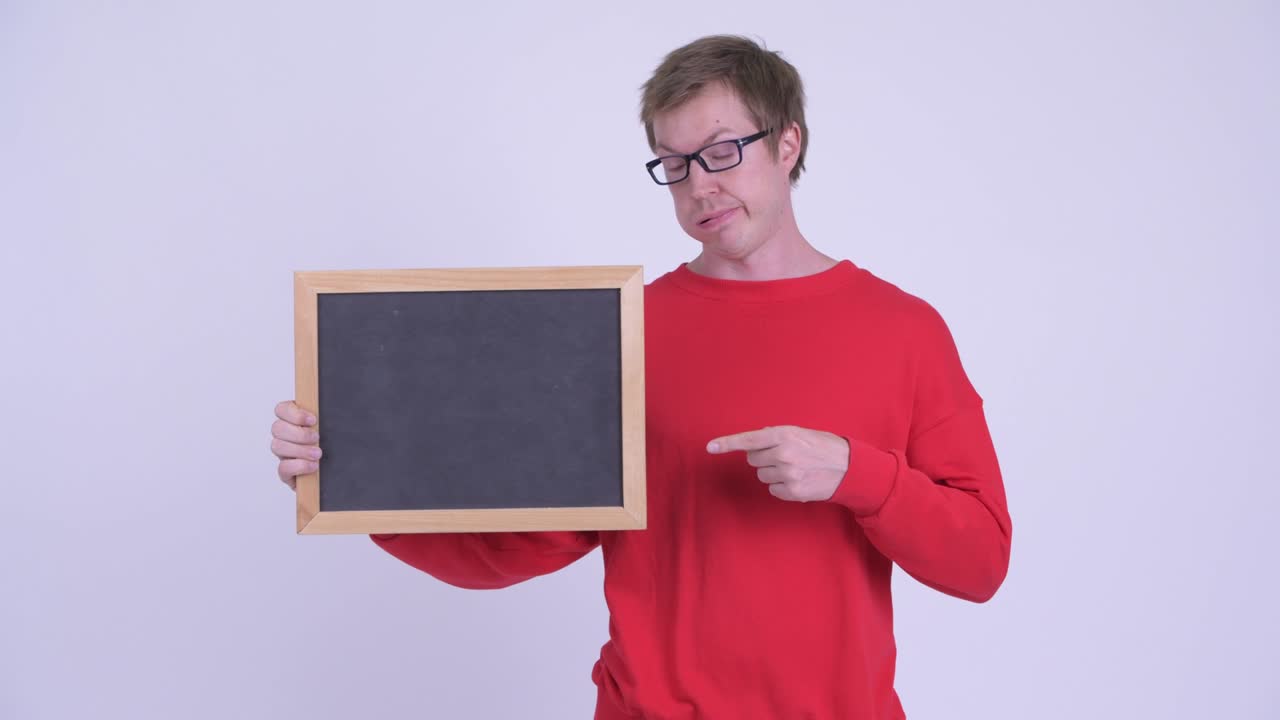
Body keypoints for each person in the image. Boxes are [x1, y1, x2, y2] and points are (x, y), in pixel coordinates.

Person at [270, 34, 1012, 720]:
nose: (699, 187)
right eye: (675, 163)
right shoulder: (620, 334)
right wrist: (354, 474)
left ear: (788, 143)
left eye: (722, 153)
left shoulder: (904, 329)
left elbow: (980, 562)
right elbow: (514, 547)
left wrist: (859, 474)